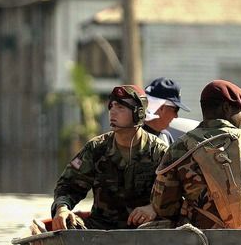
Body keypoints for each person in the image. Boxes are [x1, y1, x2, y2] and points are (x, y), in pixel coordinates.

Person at [151, 80, 241, 229]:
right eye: (239, 110)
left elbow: (163, 206)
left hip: (200, 242)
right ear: (226, 108)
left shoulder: (180, 147)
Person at [51, 85, 168, 231]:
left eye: (120, 107)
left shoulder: (159, 151)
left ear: (138, 113)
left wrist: (153, 208)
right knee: (69, 224)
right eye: (111, 106)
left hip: (146, 231)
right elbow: (68, 186)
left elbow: (176, 194)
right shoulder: (96, 149)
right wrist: (62, 208)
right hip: (101, 230)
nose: (112, 111)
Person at [143, 77, 191, 145]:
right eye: (176, 110)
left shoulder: (166, 136)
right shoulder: (133, 135)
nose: (176, 116)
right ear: (161, 108)